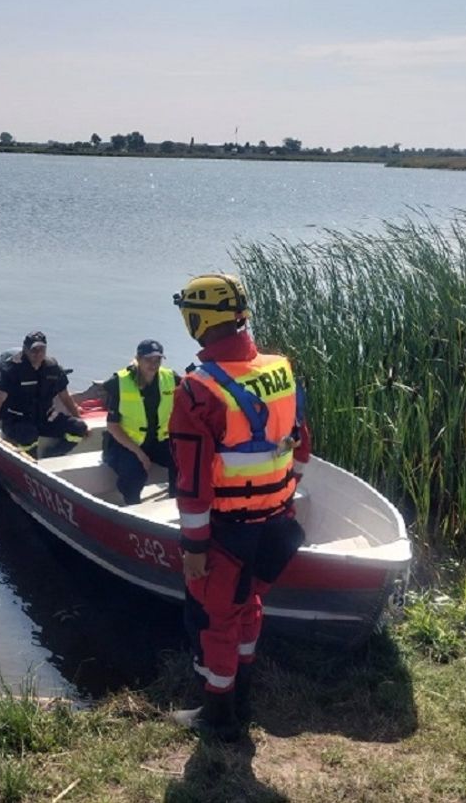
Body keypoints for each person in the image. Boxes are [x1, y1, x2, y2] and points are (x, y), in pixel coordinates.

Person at [167, 273, 311, 742]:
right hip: (277, 524)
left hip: (227, 532)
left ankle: (219, 718)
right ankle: (242, 694)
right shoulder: (281, 369)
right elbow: (300, 444)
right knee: (250, 606)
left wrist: (194, 547)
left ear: (197, 320)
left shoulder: (197, 390)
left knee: (215, 623)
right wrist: (286, 494)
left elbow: (192, 485)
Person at [0, 331, 89, 458]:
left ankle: (53, 454)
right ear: (25, 349)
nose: (38, 353)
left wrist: (78, 417)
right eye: (34, 350)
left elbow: (65, 396)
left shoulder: (52, 367)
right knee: (29, 434)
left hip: (44, 418)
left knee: (79, 427)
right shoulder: (13, 369)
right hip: (17, 421)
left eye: (42, 349)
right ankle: (30, 460)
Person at [102, 339, 180, 504]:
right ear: (138, 359)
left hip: (157, 441)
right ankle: (132, 506)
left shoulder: (170, 378)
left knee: (183, 459)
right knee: (134, 472)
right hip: (124, 444)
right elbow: (112, 426)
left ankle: (176, 503)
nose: (153, 364)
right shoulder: (119, 382)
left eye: (157, 359)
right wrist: (140, 453)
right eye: (148, 360)